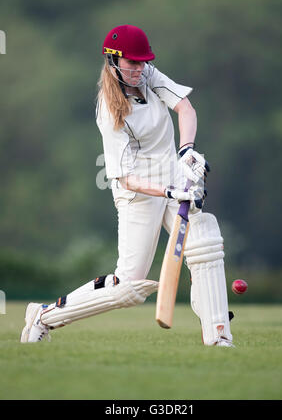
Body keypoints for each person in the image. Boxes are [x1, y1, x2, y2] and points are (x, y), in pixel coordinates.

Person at [20, 24, 234, 347]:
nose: (138, 69)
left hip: (172, 173)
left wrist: (187, 152)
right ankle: (44, 316)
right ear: (113, 62)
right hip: (138, 192)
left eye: (142, 62)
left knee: (204, 237)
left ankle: (218, 335)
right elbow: (126, 177)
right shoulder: (109, 111)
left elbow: (185, 108)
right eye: (131, 63)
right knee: (128, 288)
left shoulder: (148, 76)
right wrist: (167, 192)